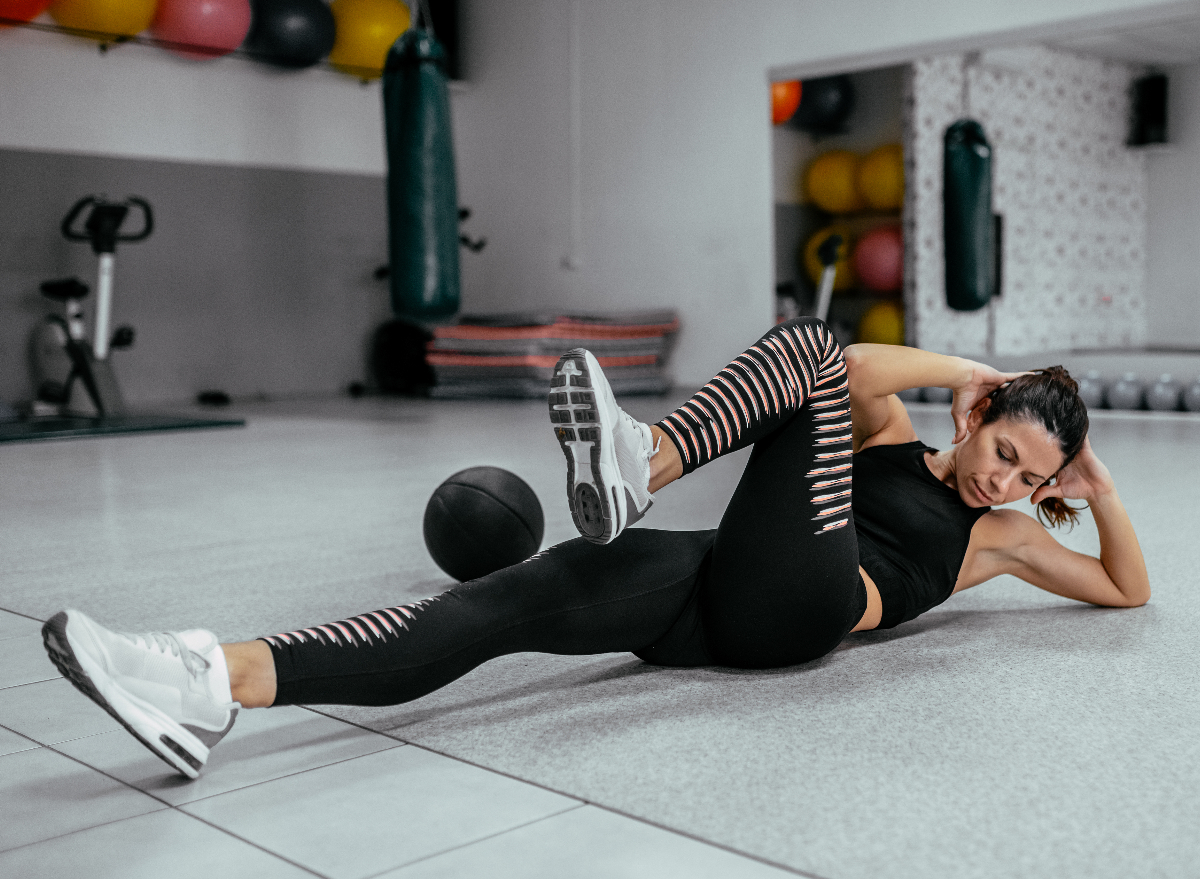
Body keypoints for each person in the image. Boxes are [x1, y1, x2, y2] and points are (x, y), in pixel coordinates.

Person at [41, 318, 1149, 780]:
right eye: (1004, 449)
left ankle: (647, 460)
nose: (1006, 480)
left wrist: (1092, 488)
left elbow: (1122, 590)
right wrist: (969, 371)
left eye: (1027, 475)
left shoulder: (999, 541)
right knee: (505, 607)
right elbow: (860, 374)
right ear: (977, 421)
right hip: (719, 587)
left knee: (802, 345)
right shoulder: (907, 434)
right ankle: (210, 680)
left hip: (810, 609)